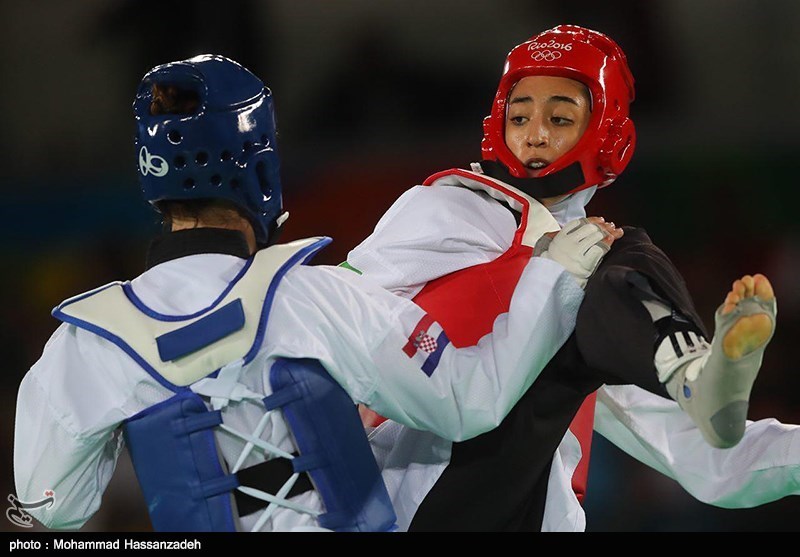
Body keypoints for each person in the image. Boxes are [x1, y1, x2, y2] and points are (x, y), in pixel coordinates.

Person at [12, 54, 622, 532]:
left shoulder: (85, 342)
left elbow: (55, 506)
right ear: (261, 169)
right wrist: (553, 277)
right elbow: (469, 403)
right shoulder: (318, 298)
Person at [347, 25, 787, 531]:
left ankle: (693, 373)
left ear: (609, 132)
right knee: (604, 259)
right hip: (414, 495)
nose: (534, 133)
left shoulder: (597, 291)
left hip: (522, 515)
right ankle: (690, 367)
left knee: (604, 262)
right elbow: (332, 308)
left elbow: (709, 460)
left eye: (559, 118)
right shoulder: (450, 206)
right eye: (518, 116)